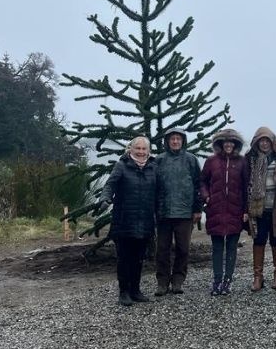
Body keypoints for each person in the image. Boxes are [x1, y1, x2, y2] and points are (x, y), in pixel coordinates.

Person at [98, 136, 158, 306]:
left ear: (148, 151)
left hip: (145, 221)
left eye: (143, 149)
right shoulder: (122, 166)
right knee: (124, 258)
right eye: (137, 148)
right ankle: (123, 292)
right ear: (130, 149)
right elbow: (110, 185)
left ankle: (135, 290)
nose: (140, 152)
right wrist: (105, 199)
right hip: (124, 220)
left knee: (139, 258)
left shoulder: (153, 167)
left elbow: (160, 191)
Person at [200, 128, 249, 296]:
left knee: (232, 248)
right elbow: (202, 182)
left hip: (235, 210)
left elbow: (246, 187)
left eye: (232, 142)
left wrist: (246, 210)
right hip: (216, 210)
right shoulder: (211, 161)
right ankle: (217, 280)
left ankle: (228, 281)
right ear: (220, 144)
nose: (228, 145)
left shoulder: (242, 162)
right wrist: (206, 197)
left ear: (236, 144)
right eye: (225, 142)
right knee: (217, 248)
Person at [154, 128, 203, 296]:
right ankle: (162, 282)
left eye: (178, 139)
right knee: (162, 250)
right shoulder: (158, 160)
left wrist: (198, 209)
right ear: (167, 141)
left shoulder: (191, 160)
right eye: (172, 139)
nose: (175, 141)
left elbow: (199, 186)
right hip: (163, 213)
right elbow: (153, 187)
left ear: (183, 141)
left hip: (185, 213)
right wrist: (154, 209)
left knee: (183, 249)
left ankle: (178, 280)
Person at [245, 127, 276, 291]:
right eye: (261, 141)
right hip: (258, 208)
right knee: (258, 240)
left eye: (267, 140)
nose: (264, 144)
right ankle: (258, 276)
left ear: (272, 142)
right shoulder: (250, 158)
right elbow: (245, 183)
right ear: (256, 142)